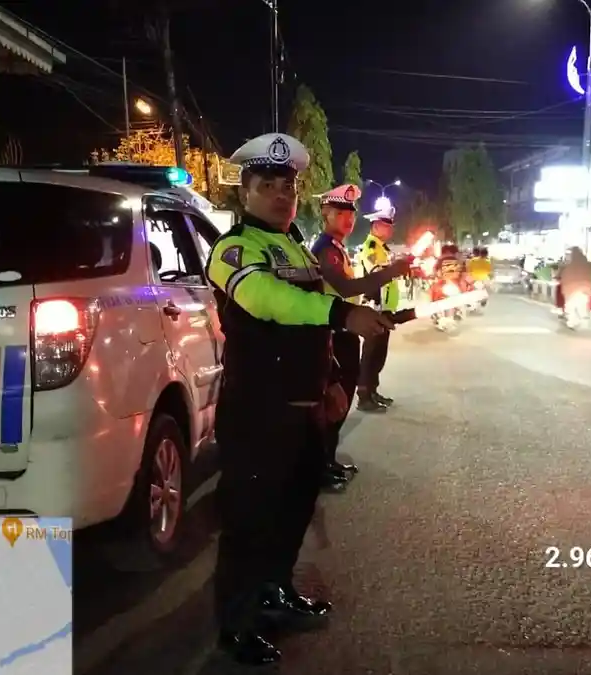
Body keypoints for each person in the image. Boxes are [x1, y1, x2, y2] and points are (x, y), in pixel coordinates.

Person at [205, 133, 395, 666]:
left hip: (305, 410)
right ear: (246, 193)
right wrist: (341, 315)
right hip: (258, 414)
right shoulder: (234, 249)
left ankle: (275, 592)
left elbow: (320, 307)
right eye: (268, 185)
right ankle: (236, 627)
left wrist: (335, 380)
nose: (282, 195)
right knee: (249, 523)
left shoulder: (292, 247)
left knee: (292, 513)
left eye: (288, 186)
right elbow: (268, 301)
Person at [312, 184, 411, 488]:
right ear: (325, 215)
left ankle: (328, 459)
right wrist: (390, 272)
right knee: (333, 403)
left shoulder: (338, 247)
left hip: (346, 331)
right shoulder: (325, 249)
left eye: (350, 214)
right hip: (333, 332)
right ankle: (320, 467)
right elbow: (345, 288)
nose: (347, 220)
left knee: (340, 403)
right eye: (340, 213)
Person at [355, 207, 402, 411]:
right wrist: (397, 268)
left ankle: (373, 390)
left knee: (379, 353)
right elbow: (377, 272)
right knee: (370, 353)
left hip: (385, 307)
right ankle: (364, 396)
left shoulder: (383, 248)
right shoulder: (371, 247)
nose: (390, 230)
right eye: (386, 226)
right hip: (375, 306)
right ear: (376, 226)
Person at [556, 246, 591, 312]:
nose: (568, 256)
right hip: (583, 285)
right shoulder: (583, 261)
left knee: (560, 289)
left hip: (573, 285)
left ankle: (561, 307)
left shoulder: (567, 263)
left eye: (569, 254)